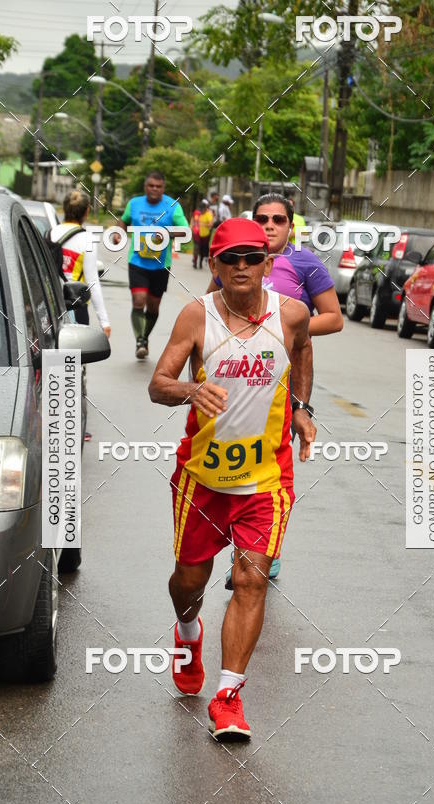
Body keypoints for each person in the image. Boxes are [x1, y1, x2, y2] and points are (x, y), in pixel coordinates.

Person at [148, 218, 316, 739]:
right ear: (214, 265)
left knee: (250, 579)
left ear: (267, 262)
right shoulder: (196, 318)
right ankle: (187, 629)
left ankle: (227, 696)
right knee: (190, 583)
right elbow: (159, 383)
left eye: (251, 257)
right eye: (230, 258)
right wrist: (189, 392)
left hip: (266, 478)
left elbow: (304, 351)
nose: (241, 266)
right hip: (202, 478)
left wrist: (302, 408)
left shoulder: (291, 314)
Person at [207, 193, 343, 585]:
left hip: (280, 378)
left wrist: (281, 330)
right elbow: (207, 309)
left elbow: (333, 318)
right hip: (232, 376)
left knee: (270, 465)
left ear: (290, 225)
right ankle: (239, 540)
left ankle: (264, 548)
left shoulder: (304, 263)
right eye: (262, 218)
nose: (269, 226)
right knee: (231, 456)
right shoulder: (234, 258)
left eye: (278, 220)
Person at [114, 170, 188, 359]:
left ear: (163, 188)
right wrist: (118, 233)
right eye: (151, 186)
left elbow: (185, 231)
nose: (154, 189)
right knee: (139, 300)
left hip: (161, 265)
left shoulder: (172, 206)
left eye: (158, 186)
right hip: (137, 261)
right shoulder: (135, 204)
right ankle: (140, 340)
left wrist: (165, 233)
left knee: (153, 306)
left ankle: (144, 337)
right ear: (145, 187)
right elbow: (123, 221)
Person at [49, 190, 111, 336]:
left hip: (50, 305)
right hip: (76, 307)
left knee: (52, 354)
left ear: (64, 208)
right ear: (87, 211)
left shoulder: (49, 233)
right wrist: (104, 322)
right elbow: (92, 281)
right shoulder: (87, 239)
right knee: (75, 356)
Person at [197, 199, 213, 267]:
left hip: (206, 234)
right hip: (199, 234)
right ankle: (200, 261)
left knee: (205, 247)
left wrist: (204, 225)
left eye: (202, 209)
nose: (201, 211)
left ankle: (205, 258)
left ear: (205, 208)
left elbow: (211, 224)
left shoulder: (208, 214)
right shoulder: (199, 214)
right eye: (200, 209)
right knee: (200, 248)